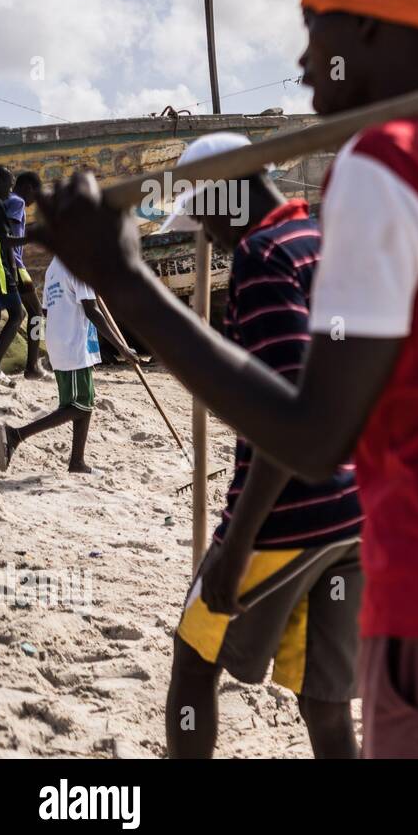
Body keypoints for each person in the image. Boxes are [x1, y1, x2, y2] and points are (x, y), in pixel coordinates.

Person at [32, 0, 418, 759]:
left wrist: (123, 278)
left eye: (313, 29)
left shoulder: (383, 164)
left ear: (369, 26)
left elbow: (310, 430)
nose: (302, 66)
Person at [156, 133, 365, 760]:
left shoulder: (262, 254)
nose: (211, 240)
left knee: (193, 662)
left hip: (289, 513)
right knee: (324, 701)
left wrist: (238, 542)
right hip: (359, 507)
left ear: (226, 195)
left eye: (207, 221)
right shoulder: (323, 242)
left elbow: (287, 403)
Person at [0, 255, 133, 474]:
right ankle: (16, 435)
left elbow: (47, 310)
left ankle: (77, 462)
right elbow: (91, 310)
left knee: (81, 405)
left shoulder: (55, 266)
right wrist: (122, 348)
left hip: (60, 344)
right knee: (79, 406)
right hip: (73, 345)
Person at [4, 172, 46, 380]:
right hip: (15, 266)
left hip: (5, 265)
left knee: (13, 314)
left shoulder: (4, 200)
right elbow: (8, 236)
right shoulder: (17, 202)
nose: (34, 202)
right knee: (36, 313)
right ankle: (32, 366)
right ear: (29, 187)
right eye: (36, 195)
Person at [0, 164, 25, 388]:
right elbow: (6, 242)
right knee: (17, 314)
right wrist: (39, 236)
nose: (10, 191)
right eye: (9, 185)